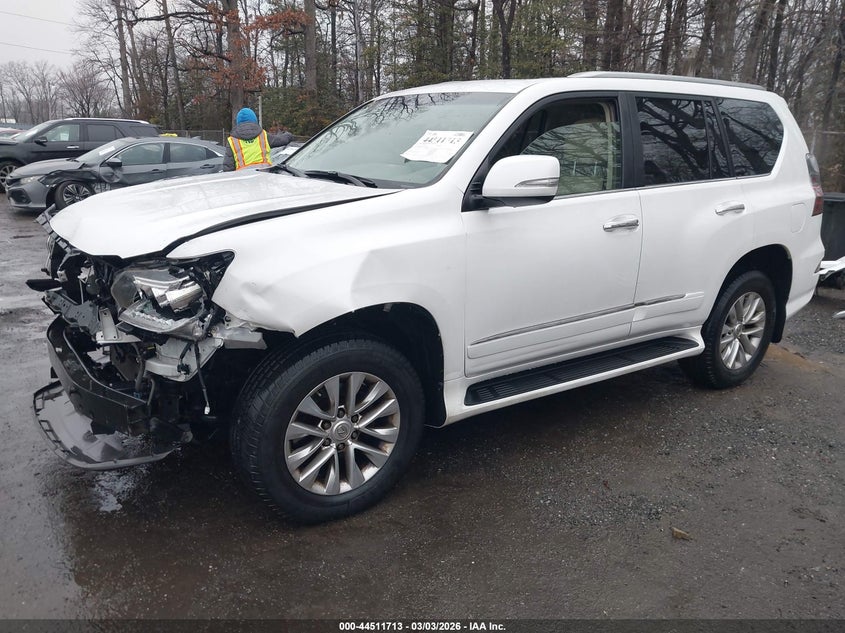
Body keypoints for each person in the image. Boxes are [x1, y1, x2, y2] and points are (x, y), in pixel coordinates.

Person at [223, 107, 294, 171]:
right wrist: (288, 135)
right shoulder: (263, 135)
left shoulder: (232, 140)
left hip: (243, 180)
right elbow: (281, 140)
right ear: (254, 120)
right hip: (264, 176)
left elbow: (228, 167)